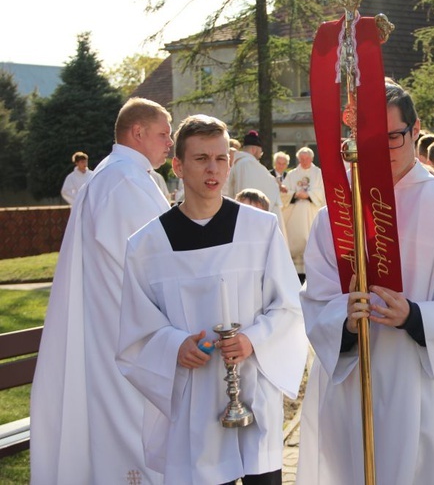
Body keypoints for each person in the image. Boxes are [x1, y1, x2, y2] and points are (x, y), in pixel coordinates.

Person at [296, 80, 434, 485]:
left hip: (424, 387)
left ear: (416, 130)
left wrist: (414, 316)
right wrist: (344, 319)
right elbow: (316, 299)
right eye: (367, 139)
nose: (380, 150)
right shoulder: (335, 217)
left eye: (392, 137)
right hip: (353, 388)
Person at [117, 114, 307, 485]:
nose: (213, 169)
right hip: (193, 401)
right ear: (178, 166)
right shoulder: (146, 245)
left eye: (221, 158)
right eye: (201, 158)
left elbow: (289, 306)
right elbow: (135, 329)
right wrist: (174, 346)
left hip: (253, 392)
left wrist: (252, 339)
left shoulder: (260, 229)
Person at [31, 97, 173, 484]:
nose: (170, 142)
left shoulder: (117, 175)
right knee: (131, 432)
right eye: (164, 133)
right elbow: (159, 258)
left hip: (111, 321)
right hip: (126, 328)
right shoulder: (124, 180)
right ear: (137, 132)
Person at [227, 130, 286, 236]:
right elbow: (269, 187)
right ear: (254, 149)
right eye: (260, 152)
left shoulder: (238, 163)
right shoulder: (250, 163)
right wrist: (275, 183)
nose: (260, 155)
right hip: (253, 216)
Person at [282, 147, 326, 282]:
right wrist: (294, 194)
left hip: (312, 212)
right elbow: (284, 192)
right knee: (296, 240)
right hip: (296, 214)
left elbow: (323, 191)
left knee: (310, 240)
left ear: (312, 159)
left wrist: (309, 194)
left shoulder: (318, 173)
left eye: (306, 159)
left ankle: (311, 273)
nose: (304, 161)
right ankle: (296, 274)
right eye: (301, 159)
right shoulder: (292, 174)